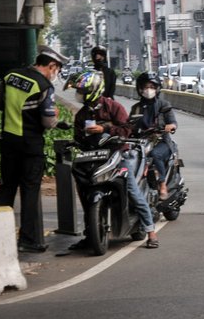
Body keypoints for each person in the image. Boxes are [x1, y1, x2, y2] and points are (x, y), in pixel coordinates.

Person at [70, 70, 159, 249]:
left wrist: (105, 130)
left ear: (93, 90)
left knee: (134, 193)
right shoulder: (81, 115)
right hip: (92, 158)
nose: (79, 95)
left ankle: (151, 232)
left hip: (117, 155)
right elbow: (78, 137)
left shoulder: (113, 107)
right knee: (84, 190)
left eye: (82, 91)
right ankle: (90, 233)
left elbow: (127, 128)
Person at [0, 45, 69, 253]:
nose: (56, 74)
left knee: (6, 188)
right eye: (57, 70)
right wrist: (55, 118)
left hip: (8, 140)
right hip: (30, 144)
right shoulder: (44, 85)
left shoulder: (10, 76)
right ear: (51, 65)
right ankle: (28, 240)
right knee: (29, 190)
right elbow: (47, 121)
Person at [130, 72, 178, 200]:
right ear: (140, 89)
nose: (148, 90)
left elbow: (173, 122)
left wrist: (170, 126)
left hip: (161, 141)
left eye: (151, 86)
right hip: (140, 142)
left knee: (155, 155)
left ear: (157, 88)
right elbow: (128, 125)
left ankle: (162, 185)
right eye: (145, 87)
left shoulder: (164, 105)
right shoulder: (136, 108)